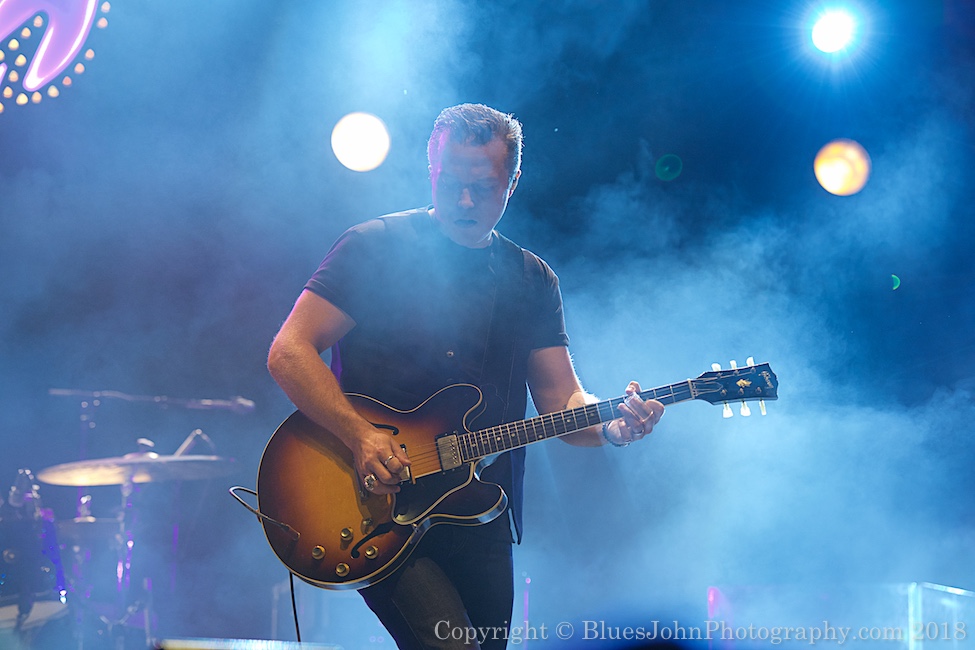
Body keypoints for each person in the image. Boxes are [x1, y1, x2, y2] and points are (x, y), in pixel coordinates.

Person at [266, 103, 664, 649]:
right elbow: (289, 351)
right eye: (449, 183)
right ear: (429, 168)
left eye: (483, 187)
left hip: (480, 509)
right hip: (377, 505)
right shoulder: (374, 248)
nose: (464, 202)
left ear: (513, 181)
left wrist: (614, 426)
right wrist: (359, 436)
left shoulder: (532, 281)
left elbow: (562, 403)